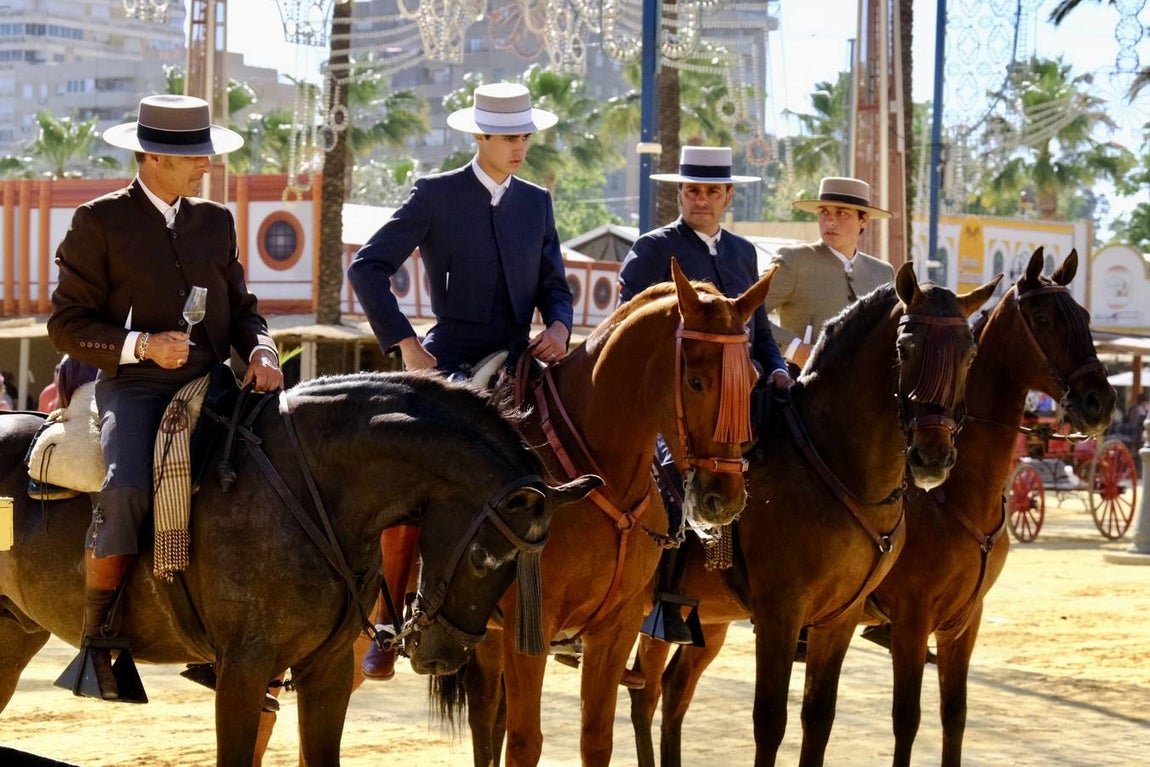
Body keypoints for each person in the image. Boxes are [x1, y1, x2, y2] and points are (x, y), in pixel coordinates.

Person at [47, 94, 283, 701]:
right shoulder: (97, 220)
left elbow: (245, 311)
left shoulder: (216, 221)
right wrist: (143, 347)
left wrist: (261, 350)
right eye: (192, 156)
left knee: (281, 466)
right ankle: (99, 637)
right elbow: (66, 324)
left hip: (218, 382)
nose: (205, 164)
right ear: (153, 157)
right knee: (126, 486)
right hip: (136, 385)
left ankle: (232, 630)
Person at [347, 81, 573, 681]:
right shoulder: (436, 194)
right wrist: (405, 344)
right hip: (447, 363)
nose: (520, 145)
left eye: (525, 135)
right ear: (480, 137)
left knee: (577, 453)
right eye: (508, 136)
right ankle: (391, 624)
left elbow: (555, 279)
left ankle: (568, 613)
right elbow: (366, 268)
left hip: (525, 358)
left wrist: (559, 322)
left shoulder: (536, 202)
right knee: (409, 483)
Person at [618, 146, 792, 655]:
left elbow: (758, 334)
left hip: (740, 398)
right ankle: (663, 601)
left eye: (712, 191)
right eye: (693, 190)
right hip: (673, 402)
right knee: (673, 481)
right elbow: (629, 328)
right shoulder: (652, 249)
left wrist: (777, 370)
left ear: (728, 197)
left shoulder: (743, 253)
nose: (702, 199)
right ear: (680, 194)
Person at [763, 176, 895, 370]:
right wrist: (794, 349)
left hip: (865, 393)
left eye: (842, 213)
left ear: (863, 220)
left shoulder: (883, 272)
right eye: (824, 212)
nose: (830, 221)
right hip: (802, 387)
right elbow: (745, 313)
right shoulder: (794, 260)